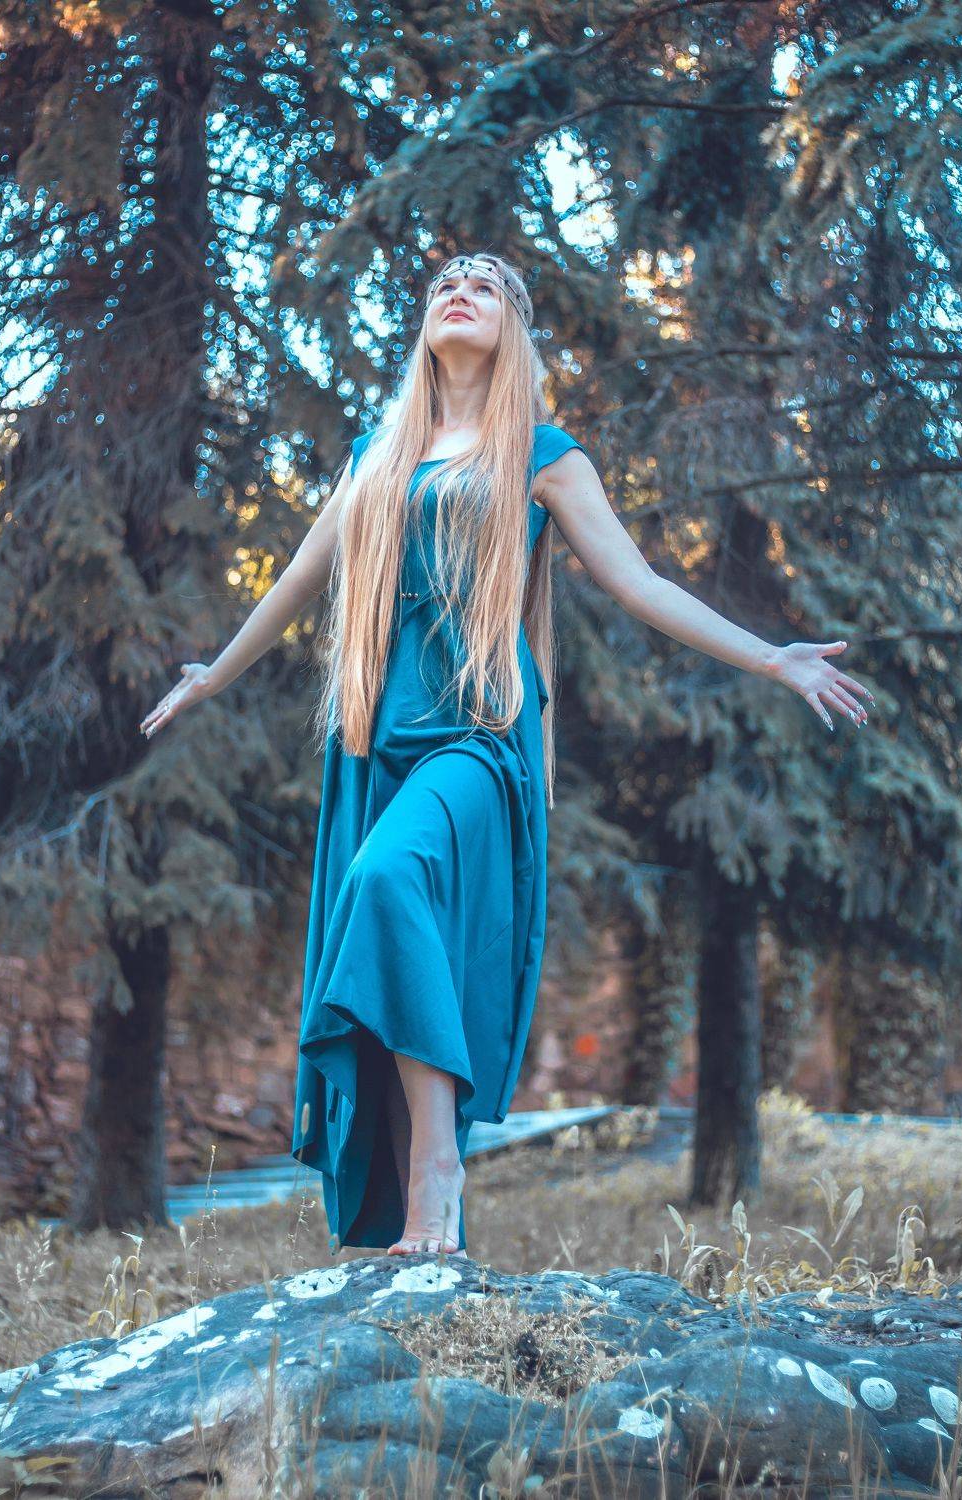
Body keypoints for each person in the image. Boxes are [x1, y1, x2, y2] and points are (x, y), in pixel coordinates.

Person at [139, 250, 875, 1259]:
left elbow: (639, 584)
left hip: (479, 736)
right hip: (374, 743)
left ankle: (439, 1169)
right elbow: (301, 579)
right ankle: (410, 1217)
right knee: (390, 932)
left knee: (386, 878)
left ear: (512, 326)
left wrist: (771, 658)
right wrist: (213, 674)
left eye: (484, 285)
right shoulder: (376, 455)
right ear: (424, 323)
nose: (459, 291)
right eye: (444, 282)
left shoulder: (542, 454)